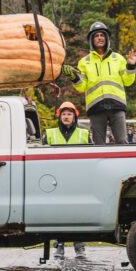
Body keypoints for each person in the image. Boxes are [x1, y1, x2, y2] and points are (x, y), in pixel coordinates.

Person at [70, 21, 136, 145]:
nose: (99, 38)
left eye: (102, 35)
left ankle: (123, 165)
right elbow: (82, 87)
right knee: (99, 145)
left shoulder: (118, 58)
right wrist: (75, 78)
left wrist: (131, 66)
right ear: (91, 39)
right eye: (96, 35)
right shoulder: (84, 62)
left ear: (106, 38)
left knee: (122, 141)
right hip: (95, 106)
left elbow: (128, 82)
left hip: (117, 105)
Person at [43, 102, 91, 259]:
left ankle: (79, 246)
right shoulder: (50, 134)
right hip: (56, 181)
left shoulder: (84, 134)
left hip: (78, 180)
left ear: (74, 116)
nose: (66, 116)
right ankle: (60, 244)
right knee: (58, 215)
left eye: (69, 114)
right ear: (59, 116)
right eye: (63, 114)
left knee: (79, 214)